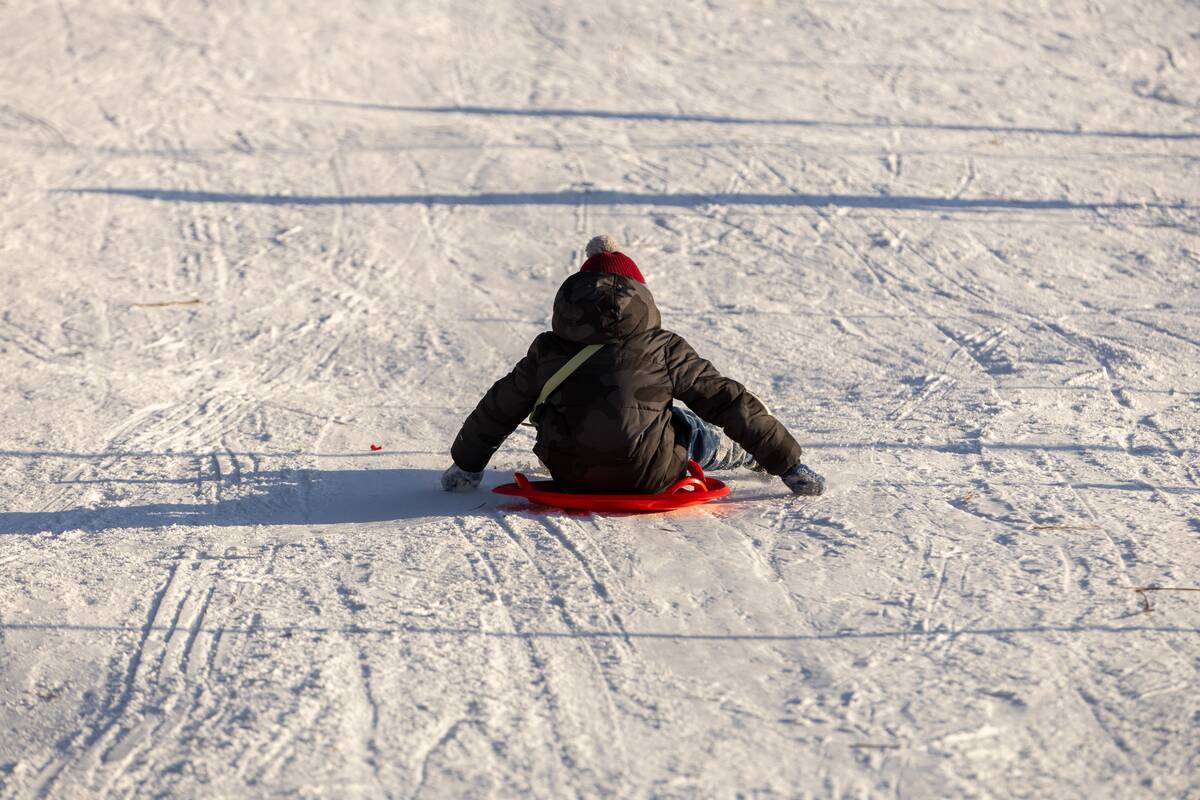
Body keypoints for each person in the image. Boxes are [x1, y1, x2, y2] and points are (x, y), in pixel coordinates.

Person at [440, 235, 825, 497]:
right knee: (683, 421)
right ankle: (735, 453)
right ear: (641, 297)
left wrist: (467, 467)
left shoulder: (549, 350)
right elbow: (726, 399)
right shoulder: (663, 347)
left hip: (571, 474)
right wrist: (789, 464)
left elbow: (499, 407)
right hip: (653, 475)